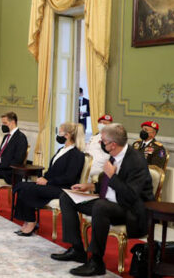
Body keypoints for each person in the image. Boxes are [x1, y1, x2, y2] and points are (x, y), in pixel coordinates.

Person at [51, 123, 154, 276]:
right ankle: (77, 249)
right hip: (108, 202)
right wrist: (90, 187)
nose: (101, 143)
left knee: (100, 206)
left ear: (113, 144)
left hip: (130, 210)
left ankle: (96, 262)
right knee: (67, 197)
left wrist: (112, 176)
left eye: (103, 141)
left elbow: (131, 195)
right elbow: (107, 187)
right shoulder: (114, 156)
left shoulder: (136, 161)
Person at [13, 122, 84, 235]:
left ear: (67, 135)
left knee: (28, 189)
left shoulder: (76, 154)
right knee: (21, 186)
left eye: (59, 132)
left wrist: (48, 182)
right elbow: (52, 170)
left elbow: (69, 178)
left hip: (63, 188)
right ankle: (26, 219)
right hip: (51, 184)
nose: (58, 134)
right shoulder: (61, 150)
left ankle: (31, 221)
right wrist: (42, 178)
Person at [85, 114, 113, 179]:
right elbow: (87, 150)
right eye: (100, 123)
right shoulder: (93, 138)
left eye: (105, 123)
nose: (102, 124)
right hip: (87, 164)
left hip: (99, 168)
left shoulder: (112, 139)